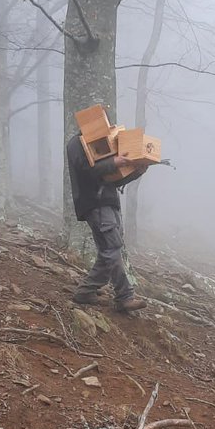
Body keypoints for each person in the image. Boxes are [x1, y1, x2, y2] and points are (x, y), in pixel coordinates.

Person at [66, 132, 149, 313]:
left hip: (108, 203)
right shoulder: (76, 143)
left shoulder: (103, 142)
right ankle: (125, 297)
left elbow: (112, 179)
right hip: (95, 204)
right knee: (112, 249)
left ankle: (85, 292)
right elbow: (87, 170)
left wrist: (137, 171)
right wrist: (114, 163)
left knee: (107, 252)